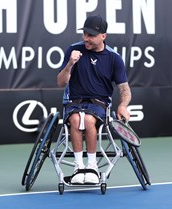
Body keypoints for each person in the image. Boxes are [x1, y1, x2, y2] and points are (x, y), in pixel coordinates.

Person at [57, 15, 132, 184]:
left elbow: (124, 89)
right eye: (84, 34)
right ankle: (78, 167)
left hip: (99, 104)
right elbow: (61, 82)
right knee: (77, 119)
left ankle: (91, 167)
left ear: (103, 36)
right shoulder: (73, 50)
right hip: (74, 102)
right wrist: (70, 64)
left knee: (88, 120)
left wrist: (123, 105)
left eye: (90, 35)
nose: (85, 38)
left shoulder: (114, 58)